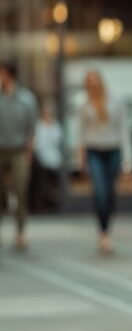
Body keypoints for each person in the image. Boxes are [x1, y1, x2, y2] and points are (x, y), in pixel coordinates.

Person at [77, 70, 132, 255]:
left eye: (96, 81)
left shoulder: (115, 100)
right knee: (100, 192)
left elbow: (124, 129)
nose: (93, 85)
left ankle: (106, 228)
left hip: (113, 151)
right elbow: (81, 134)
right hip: (94, 151)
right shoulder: (82, 103)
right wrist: (81, 159)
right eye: (90, 82)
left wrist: (127, 160)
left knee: (109, 193)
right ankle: (103, 233)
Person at [0, 61, 38, 251]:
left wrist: (29, 153)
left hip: (19, 150)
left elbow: (32, 129)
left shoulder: (26, 99)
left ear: (8, 75)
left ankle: (20, 231)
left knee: (20, 189)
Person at [29, 99, 64, 213]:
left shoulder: (56, 126)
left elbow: (58, 142)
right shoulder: (38, 126)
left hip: (54, 160)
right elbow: (36, 144)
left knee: (53, 182)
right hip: (40, 159)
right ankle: (40, 205)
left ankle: (53, 203)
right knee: (40, 181)